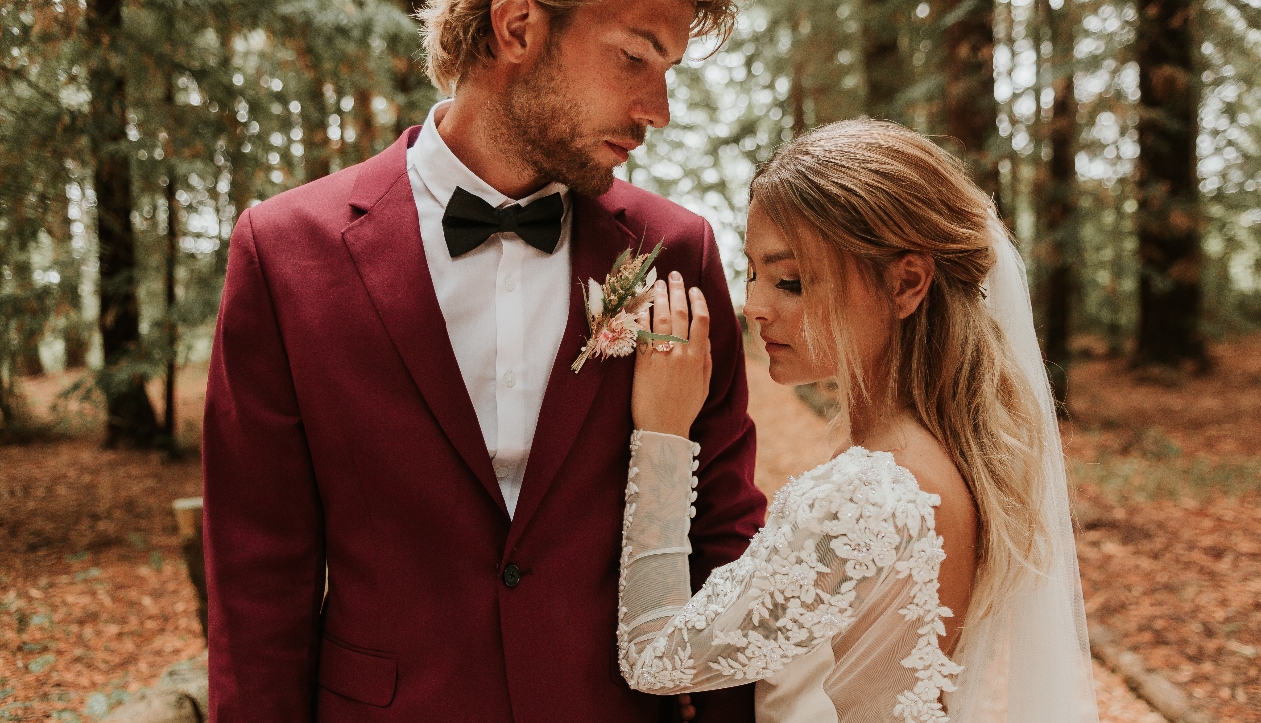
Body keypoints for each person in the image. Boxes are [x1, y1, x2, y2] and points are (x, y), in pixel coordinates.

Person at [201, 0, 767, 721]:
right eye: (635, 56)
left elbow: (722, 534)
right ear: (519, 26)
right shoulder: (284, 253)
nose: (657, 110)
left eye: (669, 71)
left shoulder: (674, 251)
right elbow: (258, 585)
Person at [618, 119, 1101, 722]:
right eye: (752, 273)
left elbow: (653, 657)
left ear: (906, 284)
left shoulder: (876, 493)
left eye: (790, 280)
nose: (757, 306)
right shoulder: (940, 455)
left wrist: (662, 433)